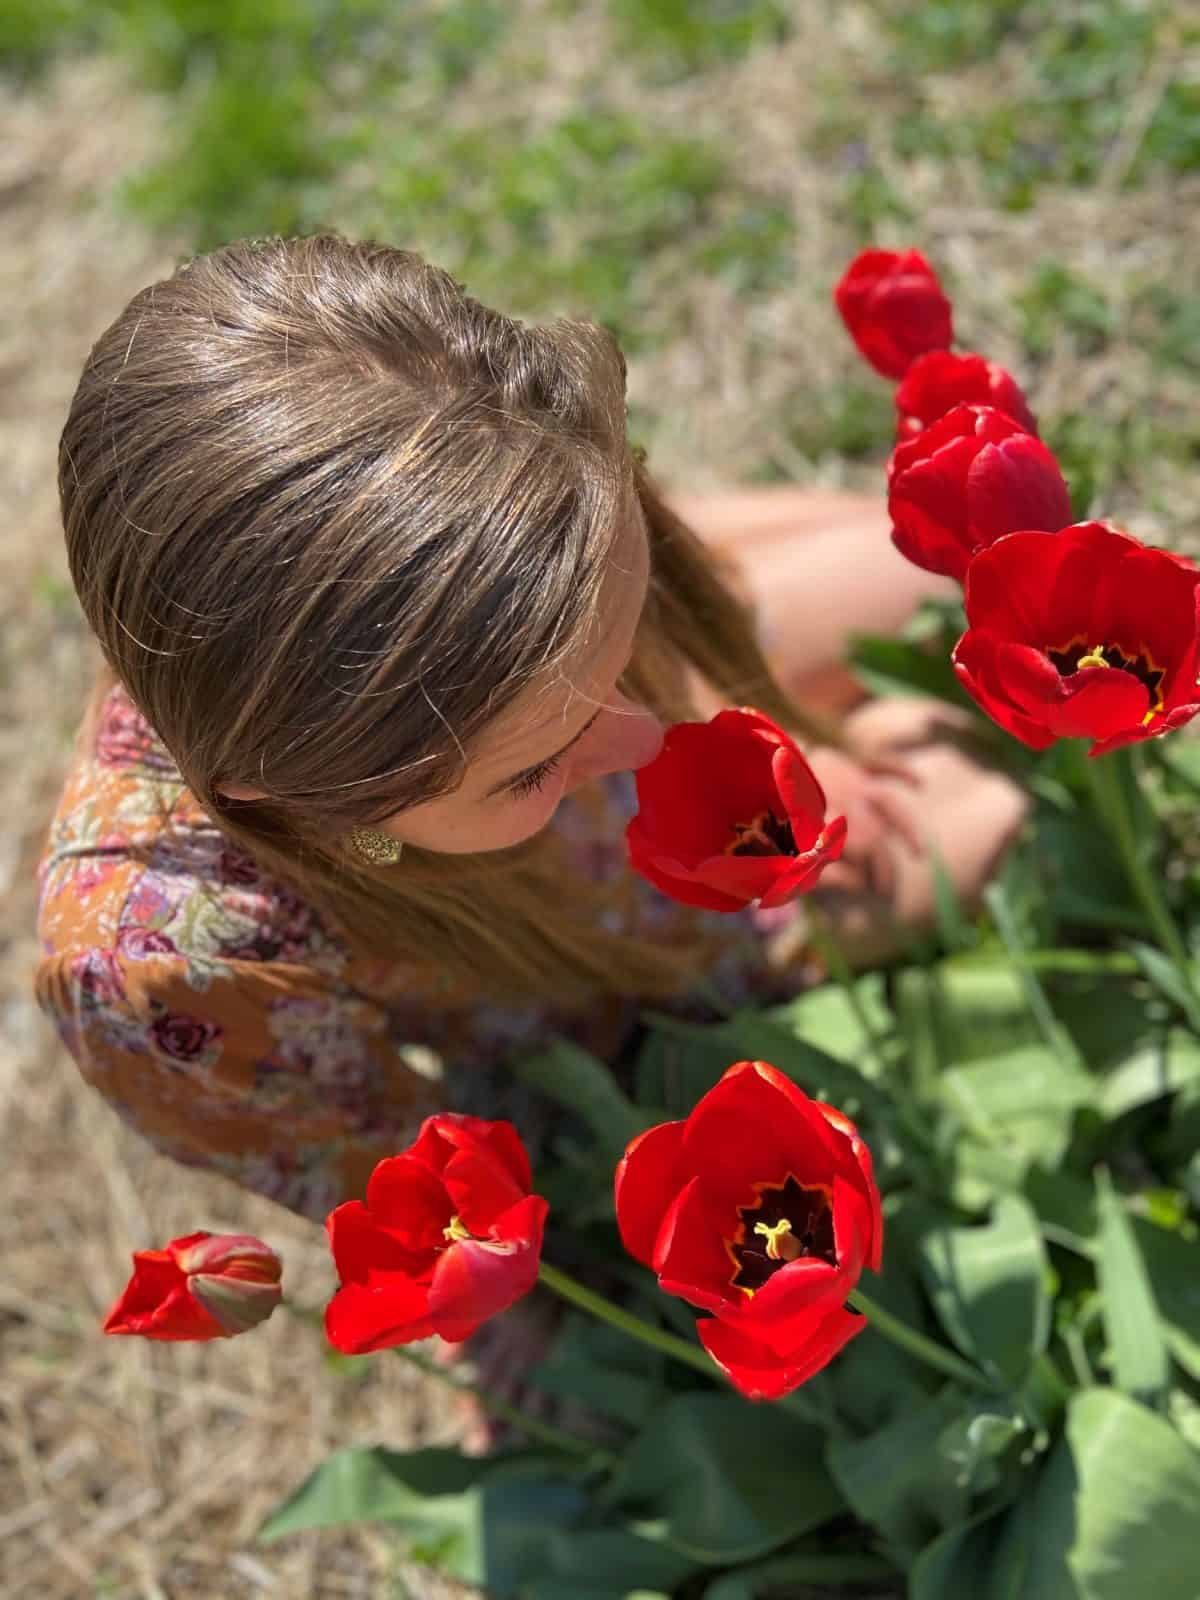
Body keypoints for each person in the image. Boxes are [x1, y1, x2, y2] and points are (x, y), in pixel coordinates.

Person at [35, 233, 1026, 1227]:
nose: (648, 745)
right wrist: (744, 839)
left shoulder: (388, 447)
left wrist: (704, 698)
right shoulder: (167, 971)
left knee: (967, 561)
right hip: (586, 938)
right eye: (529, 770)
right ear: (314, 801)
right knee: (991, 788)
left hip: (576, 667)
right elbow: (442, 1219)